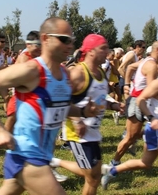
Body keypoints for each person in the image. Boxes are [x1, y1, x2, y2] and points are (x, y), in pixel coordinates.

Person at [0, 17, 99, 195]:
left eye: (72, 40)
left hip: (41, 155)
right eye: (64, 40)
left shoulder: (64, 73)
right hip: (26, 155)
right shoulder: (32, 70)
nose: (70, 45)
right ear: (46, 39)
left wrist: (82, 111)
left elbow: (59, 107)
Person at [101, 49, 158, 195]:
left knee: (145, 163)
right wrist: (152, 118)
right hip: (157, 131)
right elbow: (141, 99)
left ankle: (111, 171)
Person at [51, 34, 123, 195]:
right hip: (78, 135)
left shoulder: (100, 73)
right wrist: (77, 120)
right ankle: (56, 162)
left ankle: (55, 162)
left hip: (93, 133)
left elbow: (101, 98)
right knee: (92, 178)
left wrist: (114, 105)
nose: (107, 51)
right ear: (90, 51)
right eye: (103, 48)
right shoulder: (78, 73)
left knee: (94, 178)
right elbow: (61, 100)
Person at [0, 30, 41, 176]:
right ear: (28, 45)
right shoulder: (24, 58)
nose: (40, 48)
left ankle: (44, 167)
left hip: (32, 103)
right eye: (37, 45)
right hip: (19, 103)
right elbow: (20, 82)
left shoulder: (38, 58)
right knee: (5, 136)